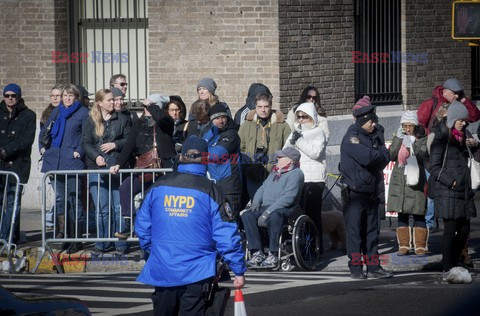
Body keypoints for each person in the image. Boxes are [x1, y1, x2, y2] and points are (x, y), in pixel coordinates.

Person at [135, 136, 246, 315]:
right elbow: (225, 233)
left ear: (181, 157)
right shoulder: (211, 190)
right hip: (197, 271)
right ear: (206, 159)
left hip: (163, 267)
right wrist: (238, 269)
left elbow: (142, 226)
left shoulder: (159, 186)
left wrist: (153, 251)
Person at [418, 78, 480, 232]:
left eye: (459, 94)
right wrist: (429, 139)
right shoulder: (431, 104)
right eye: (454, 94)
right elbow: (420, 124)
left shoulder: (459, 103)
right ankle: (430, 222)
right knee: (434, 188)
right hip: (434, 151)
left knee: (454, 196)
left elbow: (474, 116)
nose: (456, 97)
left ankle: (456, 236)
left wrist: (464, 99)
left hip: (455, 155)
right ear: (445, 92)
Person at [339, 102, 392, 279]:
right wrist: (379, 154)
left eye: (374, 120)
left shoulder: (375, 136)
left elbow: (386, 156)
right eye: (370, 121)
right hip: (355, 192)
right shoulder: (352, 137)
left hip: (372, 191)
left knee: (372, 231)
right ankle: (356, 268)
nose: (373, 124)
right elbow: (367, 158)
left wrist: (379, 154)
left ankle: (374, 266)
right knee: (355, 233)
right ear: (361, 120)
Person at [110, 98, 176, 239]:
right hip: (143, 169)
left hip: (161, 171)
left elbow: (163, 118)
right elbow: (129, 144)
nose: (146, 109)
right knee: (125, 189)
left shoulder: (165, 123)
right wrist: (118, 163)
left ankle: (150, 236)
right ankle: (130, 224)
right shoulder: (139, 123)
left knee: (149, 201)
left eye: (149, 107)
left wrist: (152, 105)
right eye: (145, 107)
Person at [428, 101, 477, 280]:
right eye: (461, 120)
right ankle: (448, 265)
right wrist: (451, 182)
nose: (464, 123)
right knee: (450, 230)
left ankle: (454, 260)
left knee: (464, 230)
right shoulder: (441, 138)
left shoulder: (462, 136)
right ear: (453, 119)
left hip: (464, 191)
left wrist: (474, 146)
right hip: (449, 191)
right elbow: (434, 166)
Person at [40, 84, 89, 253]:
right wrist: (42, 147)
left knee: (75, 201)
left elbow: (86, 136)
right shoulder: (57, 111)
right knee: (62, 200)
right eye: (65, 95)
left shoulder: (83, 113)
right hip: (56, 161)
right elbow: (46, 131)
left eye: (71, 95)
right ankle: (66, 237)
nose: (67, 98)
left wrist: (79, 152)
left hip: (73, 161)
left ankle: (77, 239)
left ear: (76, 97)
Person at [81, 89, 131, 254]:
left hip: (117, 167)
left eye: (114, 100)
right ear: (100, 102)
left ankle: (121, 244)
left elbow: (130, 140)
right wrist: (96, 157)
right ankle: (102, 243)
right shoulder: (90, 120)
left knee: (118, 208)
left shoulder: (122, 119)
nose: (113, 102)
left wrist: (115, 145)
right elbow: (86, 143)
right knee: (102, 208)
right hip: (97, 169)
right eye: (109, 100)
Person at [241, 147, 304, 268]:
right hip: (266, 207)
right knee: (247, 215)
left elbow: (288, 198)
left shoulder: (296, 174)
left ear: (289, 161)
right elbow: (262, 188)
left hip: (286, 208)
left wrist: (268, 212)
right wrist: (255, 203)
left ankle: (273, 254)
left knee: (275, 216)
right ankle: (256, 253)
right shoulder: (275, 172)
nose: (277, 159)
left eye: (280, 157)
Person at [283, 102, 327, 252]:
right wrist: (292, 140)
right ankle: (301, 246)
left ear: (312, 118)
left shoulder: (319, 132)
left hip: (314, 179)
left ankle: (317, 247)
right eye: (299, 117)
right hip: (298, 177)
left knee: (313, 214)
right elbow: (285, 151)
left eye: (305, 117)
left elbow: (316, 153)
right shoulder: (295, 131)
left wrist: (299, 142)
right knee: (299, 214)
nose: (301, 120)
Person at [387, 111, 429, 256]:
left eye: (410, 125)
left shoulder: (422, 138)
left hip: (416, 178)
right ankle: (404, 245)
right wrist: (399, 139)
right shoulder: (399, 137)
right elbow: (392, 155)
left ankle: (420, 246)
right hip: (399, 179)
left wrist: (414, 142)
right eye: (405, 126)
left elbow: (423, 155)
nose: (407, 129)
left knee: (418, 212)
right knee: (402, 212)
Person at [0, 83, 36, 245]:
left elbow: (27, 139)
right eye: (6, 96)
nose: (9, 99)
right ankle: (4, 236)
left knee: (13, 203)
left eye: (13, 96)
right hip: (1, 165)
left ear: (19, 97)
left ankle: (7, 237)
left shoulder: (29, 115)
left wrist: (7, 150)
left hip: (18, 165)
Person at [239, 93, 291, 200]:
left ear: (271, 107)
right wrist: (247, 166)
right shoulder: (247, 125)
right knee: (256, 205)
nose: (263, 110)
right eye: (260, 107)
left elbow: (289, 149)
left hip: (275, 175)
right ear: (255, 107)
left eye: (266, 106)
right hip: (253, 174)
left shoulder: (282, 126)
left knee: (271, 205)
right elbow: (240, 147)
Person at [202, 104, 243, 219]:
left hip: (229, 187)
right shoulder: (209, 133)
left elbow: (216, 155)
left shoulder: (232, 134)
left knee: (228, 221)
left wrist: (199, 153)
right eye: (216, 118)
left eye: (223, 117)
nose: (220, 121)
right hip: (212, 185)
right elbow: (198, 143)